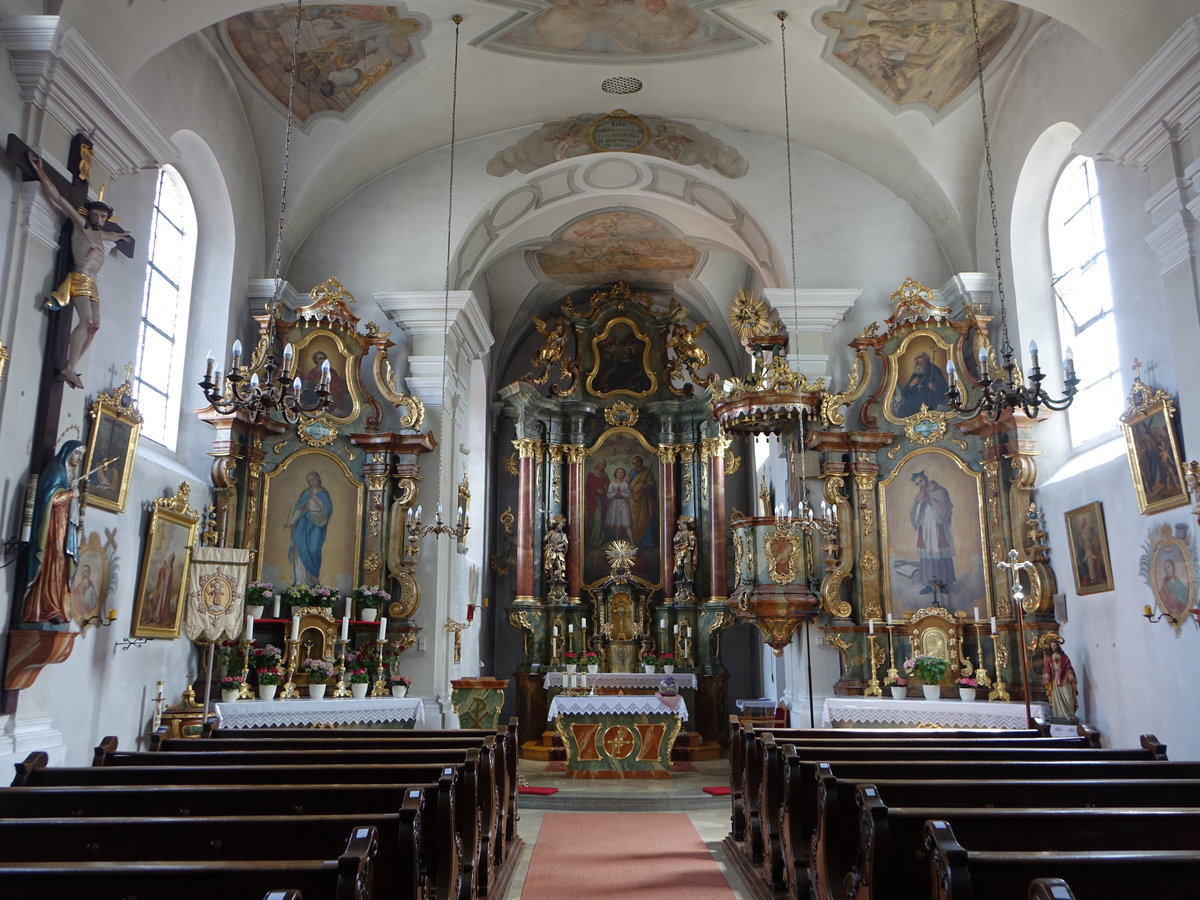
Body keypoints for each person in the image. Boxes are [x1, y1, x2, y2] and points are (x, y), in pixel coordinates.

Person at [29, 153, 133, 390]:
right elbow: (57, 197)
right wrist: (40, 170)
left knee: (95, 325)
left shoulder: (102, 234)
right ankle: (68, 367)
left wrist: (123, 236)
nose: (98, 218)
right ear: (89, 215)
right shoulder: (82, 226)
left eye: (103, 216)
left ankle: (71, 366)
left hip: (93, 284)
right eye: (95, 215)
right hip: (80, 277)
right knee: (85, 320)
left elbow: (117, 235)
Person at [21, 440, 85, 624]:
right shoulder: (56, 469)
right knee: (53, 558)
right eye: (77, 453)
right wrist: (71, 494)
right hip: (52, 524)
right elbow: (49, 499)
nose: (79, 458)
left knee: (63, 560)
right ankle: (45, 607)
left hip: (64, 524)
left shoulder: (68, 472)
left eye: (81, 455)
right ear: (68, 452)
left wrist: (73, 496)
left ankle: (57, 605)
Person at [909, 470, 955, 593]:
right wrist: (921, 503)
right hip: (925, 529)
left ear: (926, 478)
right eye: (918, 484)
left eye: (921, 481)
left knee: (940, 553)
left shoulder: (940, 491)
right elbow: (915, 513)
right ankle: (929, 583)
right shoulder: (919, 495)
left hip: (938, 528)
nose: (921, 485)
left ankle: (944, 583)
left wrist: (929, 500)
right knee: (927, 555)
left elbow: (946, 509)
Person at [286, 470, 332, 585]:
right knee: (300, 548)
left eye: (313, 479)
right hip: (305, 522)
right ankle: (301, 580)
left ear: (318, 479)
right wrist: (292, 521)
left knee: (314, 549)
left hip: (318, 524)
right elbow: (300, 508)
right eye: (309, 481)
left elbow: (327, 510)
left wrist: (316, 498)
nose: (312, 482)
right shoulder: (306, 493)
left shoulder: (323, 494)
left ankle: (313, 578)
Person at [895, 351, 949, 417]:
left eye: (919, 357)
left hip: (929, 400)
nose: (917, 360)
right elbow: (905, 392)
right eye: (915, 358)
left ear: (926, 359)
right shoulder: (916, 372)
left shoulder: (934, 370)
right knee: (902, 410)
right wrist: (911, 385)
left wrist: (935, 388)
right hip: (915, 400)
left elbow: (944, 389)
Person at [1041, 639, 1078, 721]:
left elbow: (1068, 667)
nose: (1053, 647)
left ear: (1058, 646)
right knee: (1056, 698)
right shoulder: (1049, 657)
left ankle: (1070, 714)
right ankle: (1059, 714)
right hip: (1054, 678)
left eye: (1054, 645)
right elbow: (1046, 669)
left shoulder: (1064, 657)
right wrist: (1047, 676)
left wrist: (1070, 674)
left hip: (1064, 678)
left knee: (1068, 696)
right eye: (1052, 646)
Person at [628, 454, 656, 548]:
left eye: (637, 462)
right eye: (634, 463)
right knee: (635, 520)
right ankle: (636, 540)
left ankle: (648, 542)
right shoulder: (632, 472)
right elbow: (629, 484)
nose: (636, 465)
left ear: (641, 462)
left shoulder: (647, 472)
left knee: (646, 520)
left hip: (644, 500)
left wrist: (646, 487)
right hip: (634, 500)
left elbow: (652, 486)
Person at [585, 458, 609, 547]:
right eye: (601, 464)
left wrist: (605, 488)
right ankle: (593, 542)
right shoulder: (591, 475)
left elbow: (608, 486)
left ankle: (600, 541)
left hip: (603, 501)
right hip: (594, 501)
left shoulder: (605, 475)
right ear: (597, 464)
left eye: (604, 464)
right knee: (597, 521)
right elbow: (588, 488)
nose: (603, 466)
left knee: (602, 520)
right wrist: (595, 490)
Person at [605, 466, 633, 541]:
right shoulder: (612, 484)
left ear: (623, 474)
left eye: (622, 472)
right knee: (617, 526)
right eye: (619, 472)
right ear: (616, 474)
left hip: (623, 505)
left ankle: (632, 542)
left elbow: (629, 495)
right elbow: (608, 496)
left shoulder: (625, 484)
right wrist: (615, 494)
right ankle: (617, 543)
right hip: (614, 505)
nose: (620, 474)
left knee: (627, 525)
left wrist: (621, 494)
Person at [672, 515, 697, 585]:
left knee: (687, 562)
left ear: (686, 525)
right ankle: (681, 577)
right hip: (680, 550)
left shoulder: (690, 532)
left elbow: (692, 540)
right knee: (679, 563)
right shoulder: (678, 533)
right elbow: (674, 539)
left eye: (682, 524)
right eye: (680, 525)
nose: (680, 526)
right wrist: (678, 539)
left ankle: (688, 577)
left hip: (687, 549)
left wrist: (692, 543)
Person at [543, 516, 568, 585]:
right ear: (556, 525)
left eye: (562, 526)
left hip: (559, 551)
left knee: (559, 563)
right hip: (551, 550)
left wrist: (558, 546)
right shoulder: (551, 532)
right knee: (551, 562)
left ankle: (559, 576)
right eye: (560, 525)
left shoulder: (563, 535)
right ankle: (552, 576)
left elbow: (564, 543)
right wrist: (546, 538)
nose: (561, 527)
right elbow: (545, 539)